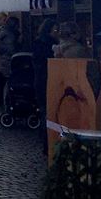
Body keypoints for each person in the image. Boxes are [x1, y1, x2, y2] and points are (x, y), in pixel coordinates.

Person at [31, 19, 59, 153]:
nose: (57, 32)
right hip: (47, 82)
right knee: (47, 112)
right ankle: (48, 144)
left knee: (45, 112)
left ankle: (47, 143)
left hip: (41, 82)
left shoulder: (39, 42)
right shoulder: (48, 44)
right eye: (55, 29)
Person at [0, 15, 21, 114]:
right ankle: (9, 105)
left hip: (3, 62)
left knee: (1, 85)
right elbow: (11, 49)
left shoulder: (1, 32)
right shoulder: (10, 35)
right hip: (10, 62)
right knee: (10, 85)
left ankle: (1, 106)